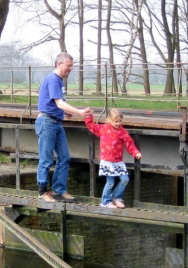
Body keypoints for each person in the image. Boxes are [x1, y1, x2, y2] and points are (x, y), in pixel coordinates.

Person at [36, 52, 93, 203]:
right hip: (47, 123)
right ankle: (42, 191)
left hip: (56, 122)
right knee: (46, 158)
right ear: (59, 64)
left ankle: (59, 190)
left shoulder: (59, 80)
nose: (71, 68)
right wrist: (79, 112)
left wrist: (64, 112)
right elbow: (59, 103)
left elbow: (56, 104)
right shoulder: (54, 80)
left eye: (71, 66)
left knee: (64, 157)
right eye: (69, 65)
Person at [85, 108, 142, 209]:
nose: (118, 123)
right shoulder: (103, 129)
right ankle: (105, 202)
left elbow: (129, 144)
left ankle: (116, 197)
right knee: (110, 182)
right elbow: (92, 127)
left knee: (125, 179)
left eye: (120, 121)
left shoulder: (122, 132)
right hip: (107, 160)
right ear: (109, 120)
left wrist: (135, 152)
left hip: (118, 161)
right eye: (116, 121)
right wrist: (88, 117)